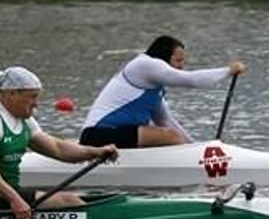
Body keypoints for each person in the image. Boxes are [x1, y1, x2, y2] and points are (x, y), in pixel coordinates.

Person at [0, 67, 118, 219]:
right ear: (11, 94)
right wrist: (15, 199)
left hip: (9, 196)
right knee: (69, 202)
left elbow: (58, 148)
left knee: (79, 200)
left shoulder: (25, 121)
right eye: (32, 97)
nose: (36, 103)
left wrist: (96, 152)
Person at [79, 36, 247, 148]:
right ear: (164, 56)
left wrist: (196, 149)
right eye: (178, 60)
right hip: (97, 136)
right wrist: (228, 71)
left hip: (113, 137)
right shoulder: (144, 65)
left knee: (169, 134)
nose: (181, 65)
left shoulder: (153, 87)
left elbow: (166, 121)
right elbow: (190, 80)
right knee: (169, 137)